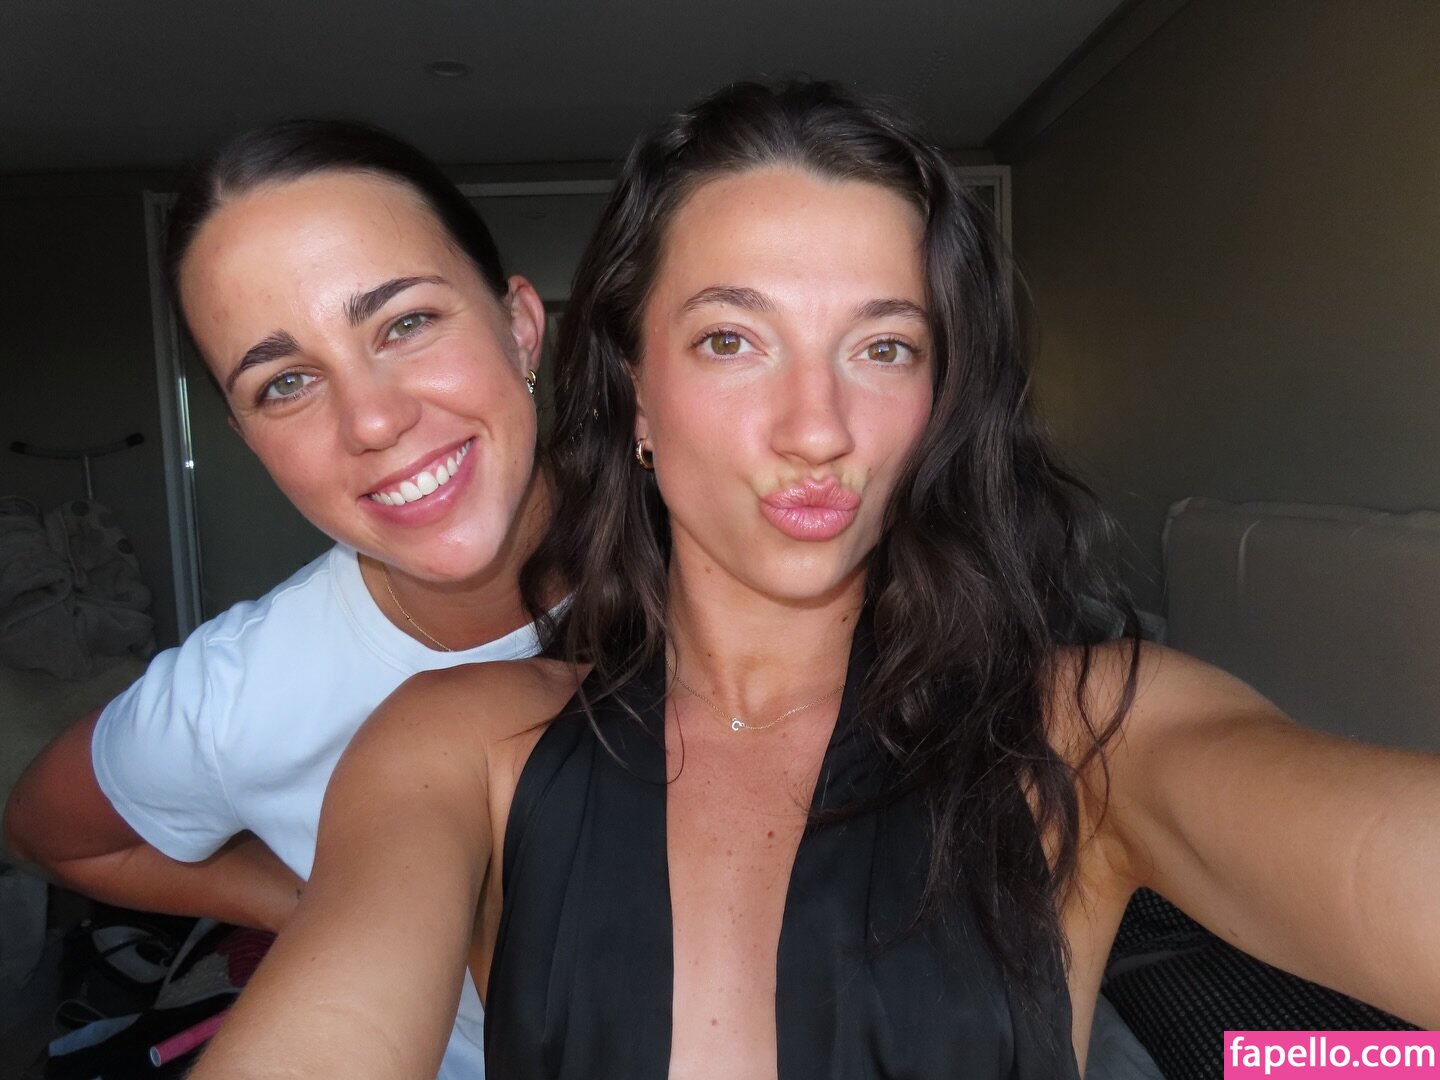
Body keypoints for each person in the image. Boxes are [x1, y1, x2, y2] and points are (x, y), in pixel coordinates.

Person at [189, 82, 1440, 1080]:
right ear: (633, 390)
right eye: (732, 339)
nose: (818, 427)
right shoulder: (461, 746)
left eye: (883, 347)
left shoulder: (1093, 730)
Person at [3, 119, 555, 1080]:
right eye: (286, 382)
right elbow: (49, 832)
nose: (373, 419)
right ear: (248, 436)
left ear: (519, 326)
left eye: (406, 324)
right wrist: (300, 902)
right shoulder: (241, 692)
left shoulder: (727, 556)